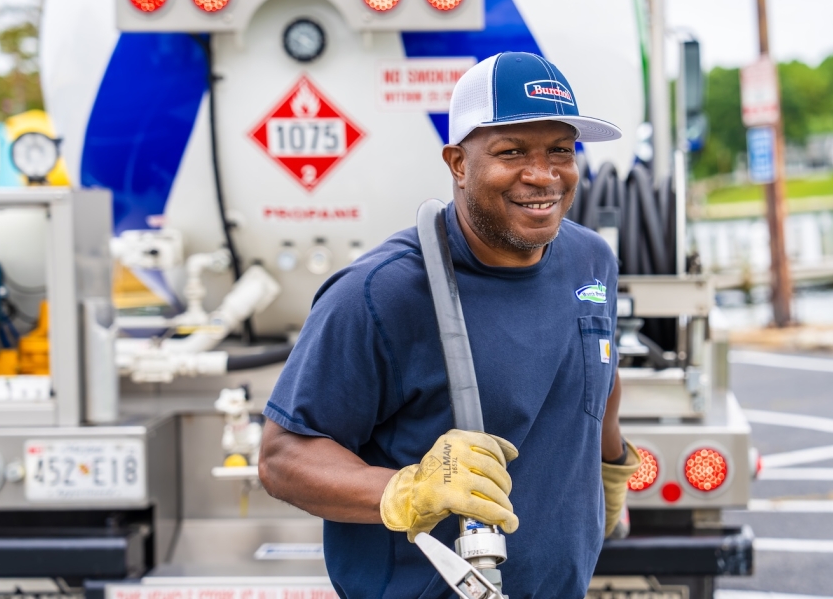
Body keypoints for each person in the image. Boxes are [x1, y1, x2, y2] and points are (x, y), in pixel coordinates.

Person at [259, 52, 642, 599]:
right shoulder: (382, 294)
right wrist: (407, 490)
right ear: (458, 163)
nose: (543, 175)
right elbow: (283, 458)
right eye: (512, 153)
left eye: (560, 150)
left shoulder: (590, 261)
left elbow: (597, 369)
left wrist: (610, 473)